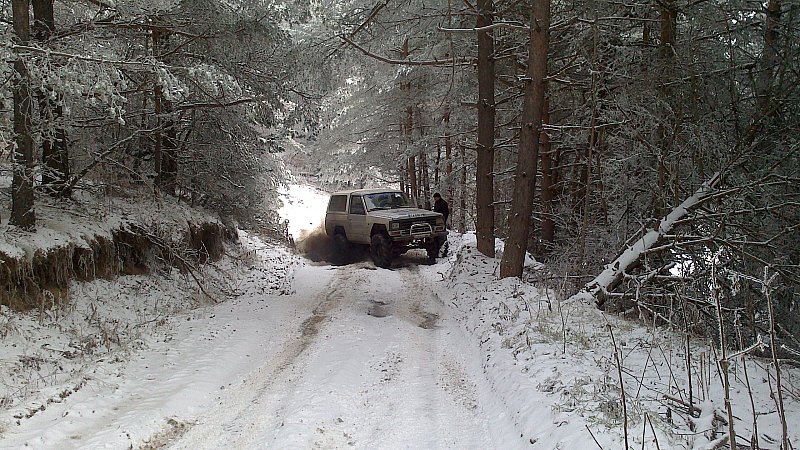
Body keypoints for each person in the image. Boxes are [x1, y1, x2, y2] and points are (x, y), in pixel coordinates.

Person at [431, 193, 449, 259]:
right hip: (437, 222)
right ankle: (436, 252)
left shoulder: (443, 203)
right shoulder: (437, 203)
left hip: (441, 222)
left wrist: (443, 221)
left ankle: (443, 252)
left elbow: (446, 213)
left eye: (435, 198)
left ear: (438, 197)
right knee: (436, 238)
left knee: (442, 238)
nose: (435, 199)